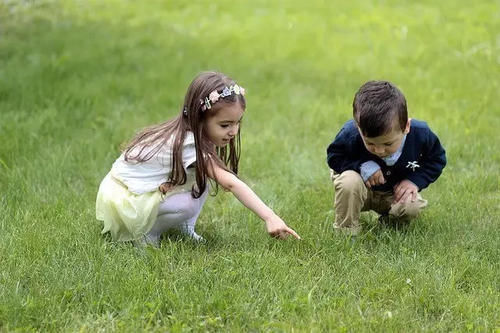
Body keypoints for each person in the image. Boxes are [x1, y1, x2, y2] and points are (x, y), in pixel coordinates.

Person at [96, 71, 301, 246]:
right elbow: (231, 184)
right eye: (225, 125)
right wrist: (270, 216)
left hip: (140, 188)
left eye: (237, 123)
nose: (233, 131)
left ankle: (185, 228)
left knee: (204, 179)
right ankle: (146, 235)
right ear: (199, 119)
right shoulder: (187, 144)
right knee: (188, 203)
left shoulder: (199, 136)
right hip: (122, 198)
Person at [326, 80, 446, 235]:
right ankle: (346, 231)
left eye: (388, 143)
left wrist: (414, 181)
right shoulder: (350, 133)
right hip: (361, 189)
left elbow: (437, 159)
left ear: (406, 127)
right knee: (349, 181)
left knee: (412, 206)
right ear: (358, 127)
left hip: (392, 193)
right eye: (370, 143)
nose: (379, 150)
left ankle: (389, 222)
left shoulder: (421, 134)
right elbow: (334, 156)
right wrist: (361, 166)